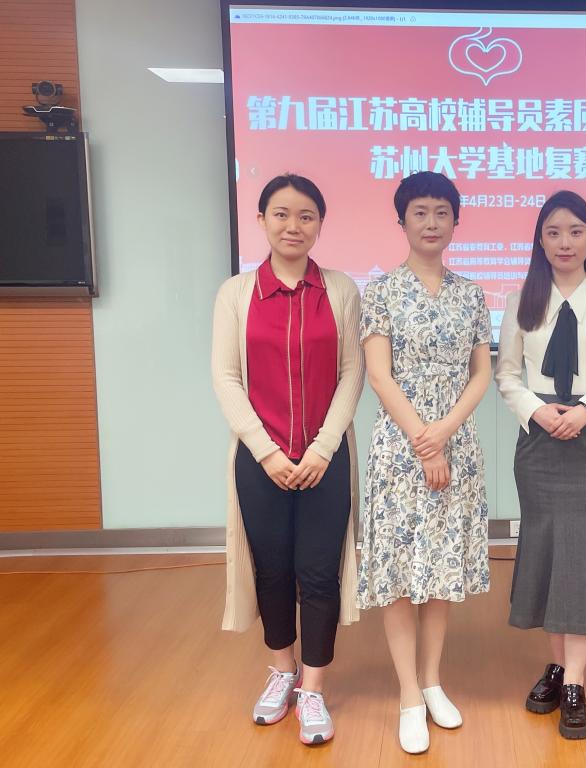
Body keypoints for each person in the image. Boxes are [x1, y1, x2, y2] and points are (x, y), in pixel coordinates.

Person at [212, 173, 364, 745]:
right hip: (260, 461)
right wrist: (267, 452)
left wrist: (323, 448)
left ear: (320, 224)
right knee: (272, 569)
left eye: (306, 216)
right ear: (261, 221)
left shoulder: (341, 290)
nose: (293, 226)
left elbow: (352, 373)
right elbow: (226, 378)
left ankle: (314, 688)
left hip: (327, 459)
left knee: (319, 573)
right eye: (281, 214)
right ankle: (282, 670)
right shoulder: (235, 294)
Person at [495, 190, 586, 740]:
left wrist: (585, 410)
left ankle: (575, 682)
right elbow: (507, 374)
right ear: (540, 239)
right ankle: (556, 667)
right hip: (538, 444)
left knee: (581, 556)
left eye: (576, 231)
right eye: (554, 232)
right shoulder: (521, 299)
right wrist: (537, 411)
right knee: (547, 552)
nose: (565, 242)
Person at [358, 171, 492, 754]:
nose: (432, 222)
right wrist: (424, 439)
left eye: (442, 212)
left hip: (456, 442)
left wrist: (446, 433)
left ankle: (434, 681)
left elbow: (481, 373)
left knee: (440, 569)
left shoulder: (472, 293)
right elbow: (378, 375)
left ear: (456, 221)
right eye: (420, 212)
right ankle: (409, 696)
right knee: (397, 571)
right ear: (402, 221)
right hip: (401, 447)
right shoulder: (381, 291)